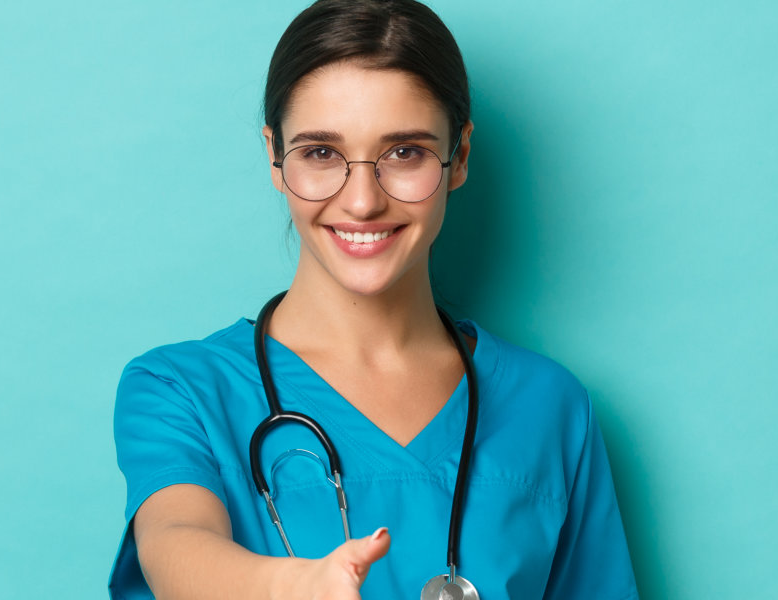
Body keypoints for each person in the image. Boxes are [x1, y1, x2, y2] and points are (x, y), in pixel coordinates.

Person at [108, 1, 639, 598]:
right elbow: (175, 544)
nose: (362, 202)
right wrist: (293, 587)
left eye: (404, 152)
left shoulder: (549, 407)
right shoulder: (183, 390)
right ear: (275, 157)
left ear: (459, 155)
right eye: (321, 153)